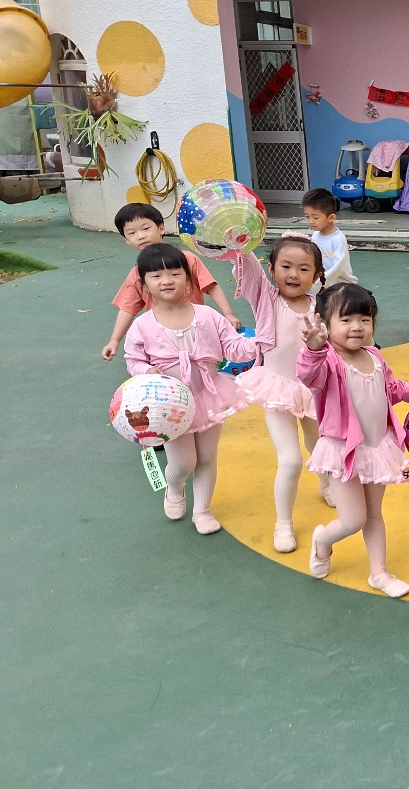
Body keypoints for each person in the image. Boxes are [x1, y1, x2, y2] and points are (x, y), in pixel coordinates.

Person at [299, 283, 409, 598]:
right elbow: (308, 376)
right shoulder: (328, 361)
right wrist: (313, 350)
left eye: (365, 319)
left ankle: (379, 573)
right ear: (325, 322)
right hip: (343, 451)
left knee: (374, 514)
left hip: (376, 448)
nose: (357, 327)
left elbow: (391, 388)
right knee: (353, 519)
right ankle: (323, 541)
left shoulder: (374, 355)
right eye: (346, 319)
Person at [124, 243, 259, 535]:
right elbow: (133, 359)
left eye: (175, 273)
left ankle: (203, 511)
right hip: (170, 405)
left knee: (207, 458)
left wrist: (258, 344)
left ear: (188, 279)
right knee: (183, 462)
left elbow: (233, 347)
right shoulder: (142, 326)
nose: (167, 280)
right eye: (156, 276)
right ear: (144, 284)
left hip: (209, 395)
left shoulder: (207, 315)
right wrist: (147, 371)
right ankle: (174, 487)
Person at [230, 233, 331, 553]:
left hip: (312, 391)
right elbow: (248, 269)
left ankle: (327, 485)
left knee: (321, 446)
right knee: (290, 460)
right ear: (271, 269)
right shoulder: (266, 298)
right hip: (276, 390)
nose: (293, 274)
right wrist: (241, 244)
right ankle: (283, 523)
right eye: (285, 266)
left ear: (317, 275)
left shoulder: (321, 306)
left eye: (304, 268)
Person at [102, 202, 242, 360]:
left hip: (196, 327)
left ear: (161, 228)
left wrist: (228, 314)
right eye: (132, 233)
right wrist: (114, 340)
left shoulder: (187, 259)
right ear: (126, 239)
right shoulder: (137, 273)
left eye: (146, 228)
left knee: (205, 363)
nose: (140, 236)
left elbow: (211, 286)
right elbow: (128, 308)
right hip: (161, 336)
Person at [302, 188, 357, 286]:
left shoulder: (338, 239)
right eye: (307, 216)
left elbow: (339, 267)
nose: (310, 221)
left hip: (342, 283)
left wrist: (319, 283)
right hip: (322, 282)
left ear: (331, 218)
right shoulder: (315, 235)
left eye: (315, 217)